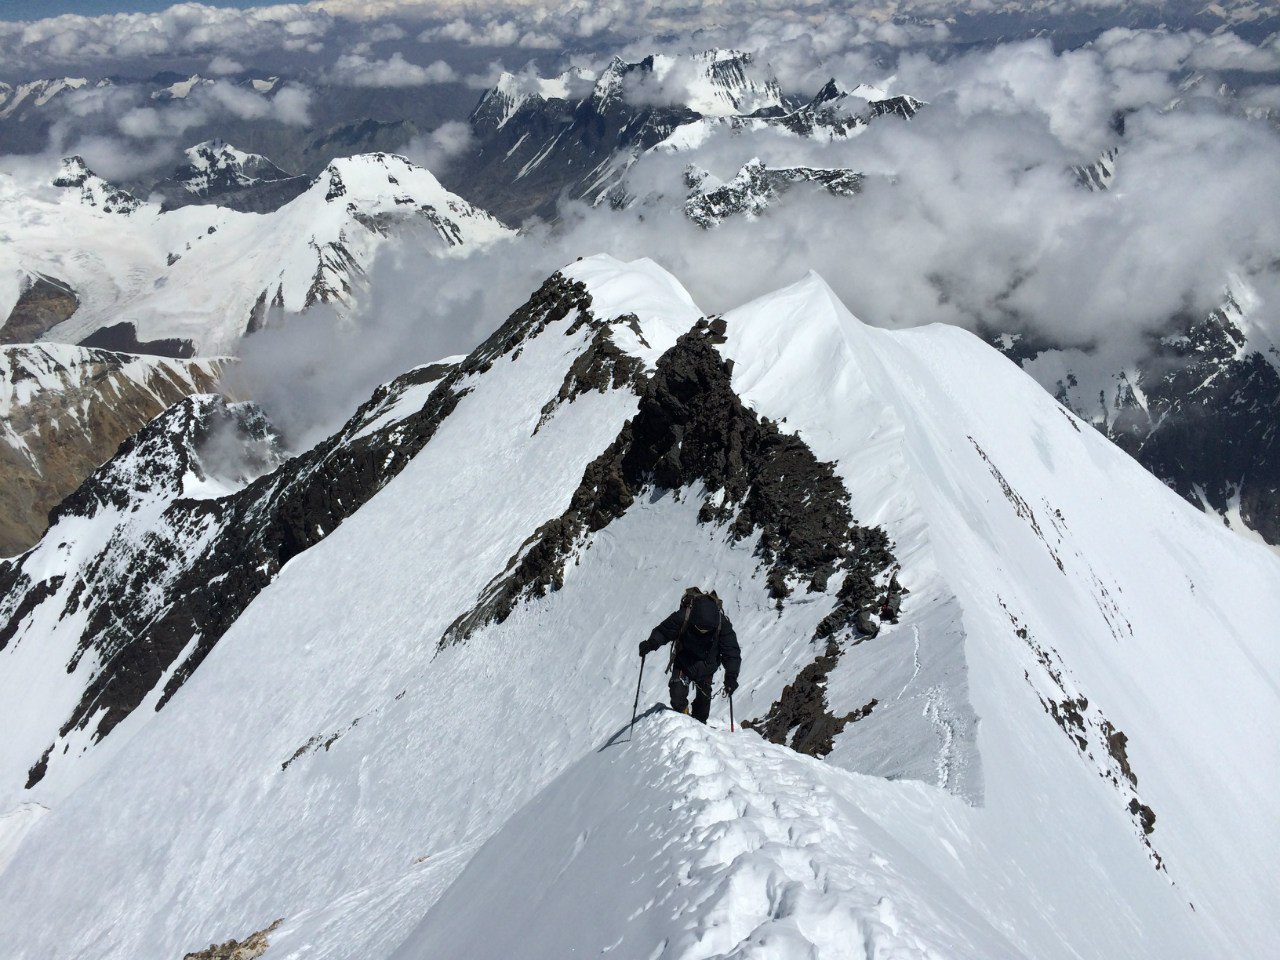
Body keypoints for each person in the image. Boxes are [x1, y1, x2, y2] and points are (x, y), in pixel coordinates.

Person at [638, 588, 741, 723]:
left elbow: (731, 651)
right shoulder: (684, 616)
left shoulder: (722, 624)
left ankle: (698, 726)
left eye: (707, 629)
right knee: (677, 696)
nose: (703, 631)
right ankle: (683, 719)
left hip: (706, 668)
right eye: (700, 628)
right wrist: (651, 643)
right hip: (685, 663)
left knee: (702, 711)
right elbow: (665, 631)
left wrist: (731, 676)